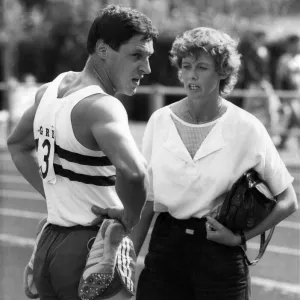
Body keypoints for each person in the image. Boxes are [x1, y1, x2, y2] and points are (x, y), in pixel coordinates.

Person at [133, 27, 298, 300]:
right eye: (186, 66)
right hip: (165, 249)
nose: (191, 75)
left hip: (219, 253)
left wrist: (241, 239)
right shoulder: (159, 121)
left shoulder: (246, 127)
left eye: (201, 67)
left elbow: (288, 200)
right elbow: (148, 200)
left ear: (223, 72)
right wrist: (129, 256)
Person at [7, 4, 158, 300]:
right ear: (103, 49)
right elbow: (135, 172)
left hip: (49, 242)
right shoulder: (102, 106)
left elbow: (17, 144)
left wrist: (55, 197)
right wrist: (129, 218)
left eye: (149, 57)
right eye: (137, 55)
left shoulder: (49, 90)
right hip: (91, 248)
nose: (146, 68)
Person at [275, 34, 300, 150]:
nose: (296, 46)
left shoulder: (298, 59)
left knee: (292, 122)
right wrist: (280, 97)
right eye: (294, 44)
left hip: (298, 95)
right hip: (289, 96)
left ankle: (281, 144)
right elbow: (279, 79)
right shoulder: (284, 60)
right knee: (297, 119)